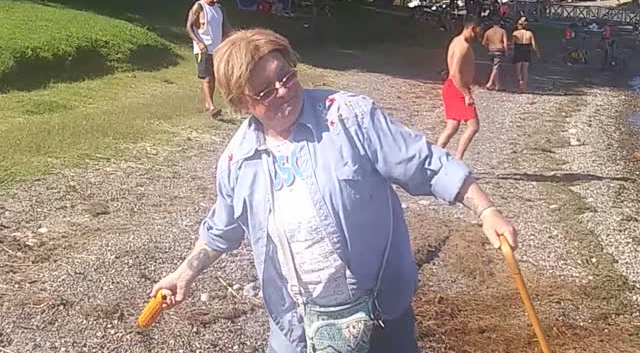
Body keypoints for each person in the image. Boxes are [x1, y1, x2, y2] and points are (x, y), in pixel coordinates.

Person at [150, 28, 517, 353]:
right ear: (242, 103)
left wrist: (486, 210)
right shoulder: (238, 160)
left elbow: (426, 164)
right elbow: (221, 229)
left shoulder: (348, 116)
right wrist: (183, 274)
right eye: (265, 91)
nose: (283, 91)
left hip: (379, 317)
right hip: (296, 324)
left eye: (287, 77)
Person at [437, 15, 481, 161]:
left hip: (452, 86)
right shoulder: (463, 45)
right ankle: (458, 160)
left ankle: (435, 158)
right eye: (477, 31)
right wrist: (466, 94)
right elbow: (455, 73)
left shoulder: (456, 41)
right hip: (456, 88)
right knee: (473, 126)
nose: (477, 34)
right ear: (472, 28)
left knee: (452, 127)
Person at [186, 0, 232, 117]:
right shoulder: (199, 6)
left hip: (217, 49)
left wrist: (234, 38)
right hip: (203, 49)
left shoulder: (220, 8)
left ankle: (207, 103)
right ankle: (212, 106)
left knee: (214, 77)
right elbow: (188, 27)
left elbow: (226, 27)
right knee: (206, 78)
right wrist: (198, 42)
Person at [511, 17, 540, 92]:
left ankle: (520, 82)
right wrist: (537, 53)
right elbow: (534, 45)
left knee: (518, 68)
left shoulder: (515, 33)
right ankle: (525, 87)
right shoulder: (530, 33)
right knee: (525, 69)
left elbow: (512, 44)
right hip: (526, 50)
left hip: (518, 50)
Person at [482, 16, 508, 91]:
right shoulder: (502, 31)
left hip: (491, 50)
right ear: (500, 23)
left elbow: (483, 43)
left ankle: (498, 85)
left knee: (495, 67)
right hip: (499, 49)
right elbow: (505, 42)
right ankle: (489, 83)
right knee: (496, 67)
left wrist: (488, 46)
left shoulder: (488, 32)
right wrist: (506, 51)